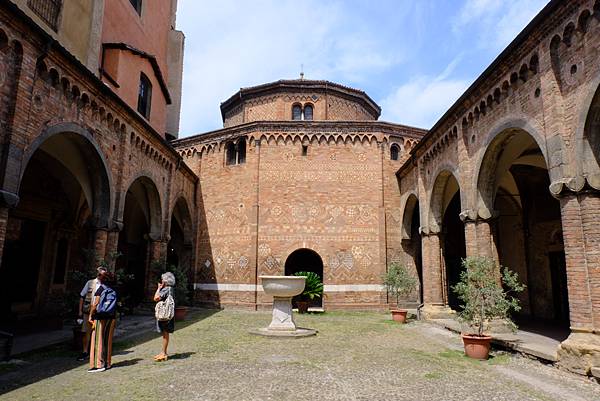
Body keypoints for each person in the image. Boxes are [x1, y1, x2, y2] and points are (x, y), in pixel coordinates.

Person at [88, 270, 117, 372]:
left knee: (97, 340)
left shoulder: (101, 289)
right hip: (111, 316)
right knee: (107, 340)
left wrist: (90, 315)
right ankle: (107, 363)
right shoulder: (114, 288)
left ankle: (98, 365)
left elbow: (95, 304)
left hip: (100, 317)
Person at [77, 266, 107, 361]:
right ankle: (85, 351)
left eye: (104, 275)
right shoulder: (90, 283)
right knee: (86, 331)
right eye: (102, 274)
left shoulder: (106, 285)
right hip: (88, 310)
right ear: (98, 274)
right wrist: (80, 311)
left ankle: (97, 352)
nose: (103, 276)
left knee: (99, 332)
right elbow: (82, 296)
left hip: (100, 312)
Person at [153, 272, 175, 362]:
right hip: (168, 313)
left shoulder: (166, 289)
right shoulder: (171, 289)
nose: (161, 280)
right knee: (165, 334)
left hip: (164, 314)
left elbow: (155, 298)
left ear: (166, 281)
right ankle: (163, 352)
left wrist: (158, 288)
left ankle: (164, 353)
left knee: (165, 333)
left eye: (162, 279)